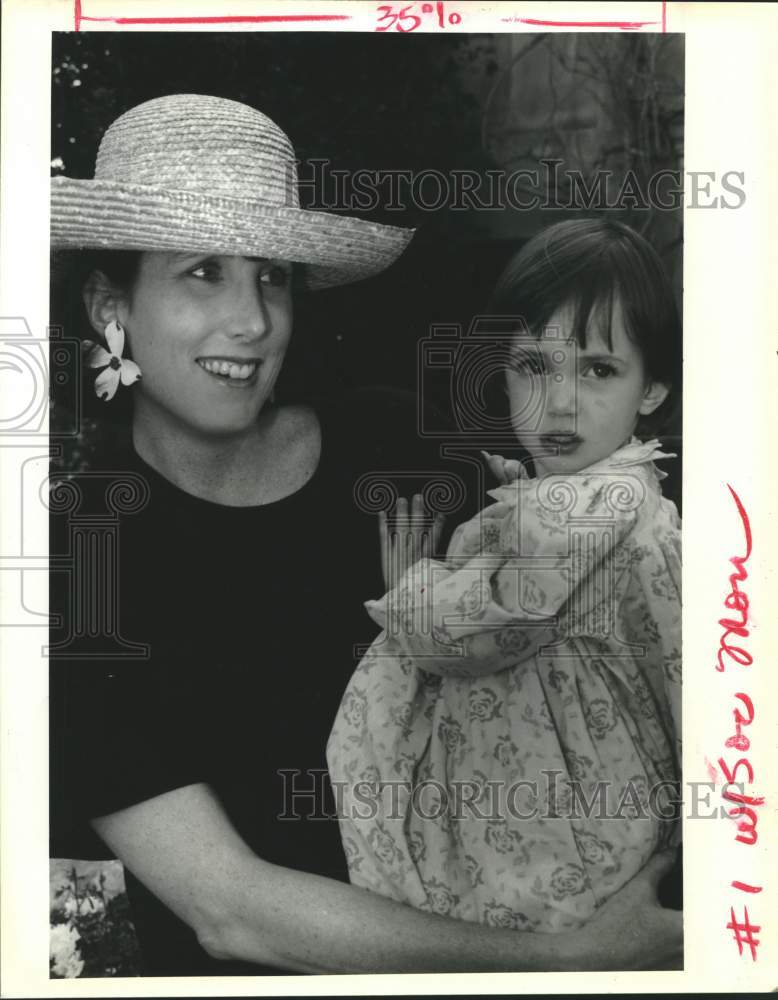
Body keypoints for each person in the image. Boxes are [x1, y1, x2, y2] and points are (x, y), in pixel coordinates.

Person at [49, 96, 682, 976]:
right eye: (203, 273)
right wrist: (563, 958)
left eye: (272, 275)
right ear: (108, 306)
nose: (254, 320)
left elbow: (603, 626)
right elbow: (232, 910)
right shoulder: (81, 563)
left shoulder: (395, 446)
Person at [328, 219, 683, 941]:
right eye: (532, 366)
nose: (558, 403)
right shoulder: (541, 507)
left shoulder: (602, 512)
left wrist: (415, 597)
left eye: (598, 370)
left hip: (576, 857)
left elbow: (483, 630)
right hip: (524, 842)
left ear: (653, 389)